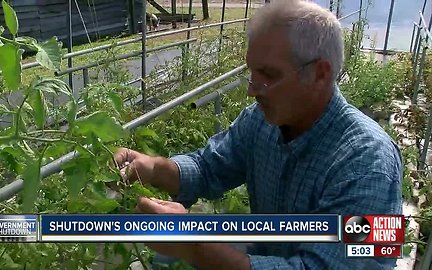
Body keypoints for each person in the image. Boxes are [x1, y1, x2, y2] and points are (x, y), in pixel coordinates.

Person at [114, 0, 403, 269]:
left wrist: (193, 245)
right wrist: (154, 168)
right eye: (252, 72)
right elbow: (209, 167)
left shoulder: (370, 164)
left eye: (269, 75)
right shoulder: (262, 122)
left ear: (320, 74)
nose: (252, 89)